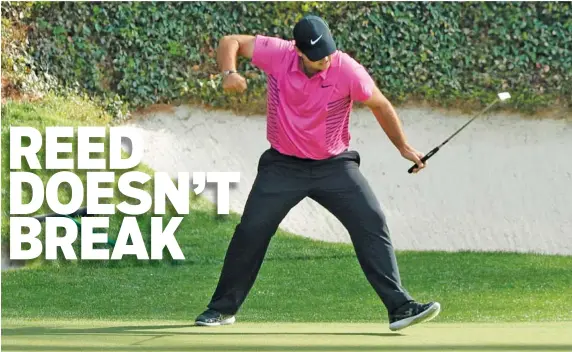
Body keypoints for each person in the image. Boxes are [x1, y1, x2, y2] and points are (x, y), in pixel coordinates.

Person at [195, 15, 441, 331]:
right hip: (283, 165)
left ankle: (400, 308)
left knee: (371, 221)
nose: (325, 60)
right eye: (317, 56)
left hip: (334, 166)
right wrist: (229, 72)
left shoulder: (346, 69)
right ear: (297, 50)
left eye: (327, 53)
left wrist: (404, 148)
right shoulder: (278, 53)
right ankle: (221, 309)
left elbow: (379, 104)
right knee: (251, 231)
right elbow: (231, 41)